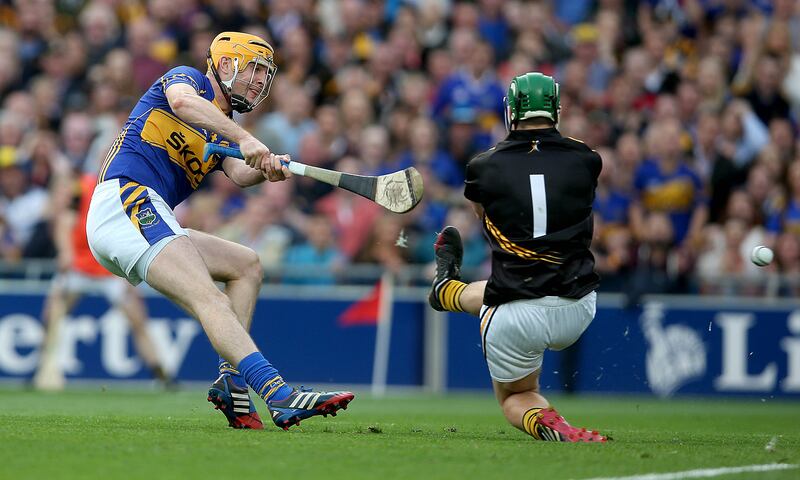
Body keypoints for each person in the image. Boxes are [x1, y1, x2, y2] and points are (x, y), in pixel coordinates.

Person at [86, 32, 353, 430]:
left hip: (148, 212)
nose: (260, 82)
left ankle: (232, 382)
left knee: (246, 265)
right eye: (254, 70)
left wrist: (267, 169)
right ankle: (279, 394)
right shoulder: (187, 80)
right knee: (209, 298)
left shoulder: (221, 127)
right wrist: (246, 138)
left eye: (265, 74)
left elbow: (239, 173)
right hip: (125, 200)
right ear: (226, 64)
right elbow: (182, 103)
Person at [428, 72, 606, 442]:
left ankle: (549, 422)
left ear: (511, 111)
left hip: (515, 311)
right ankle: (445, 290)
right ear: (555, 109)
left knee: (515, 396)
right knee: (496, 288)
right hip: (578, 305)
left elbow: (483, 216)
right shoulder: (587, 158)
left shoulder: (483, 166)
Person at [33, 171, 172, 391]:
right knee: (51, 316)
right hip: (78, 267)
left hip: (108, 269)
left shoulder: (104, 185)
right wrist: (66, 252)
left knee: (138, 319)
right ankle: (42, 369)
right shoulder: (83, 187)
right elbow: (65, 221)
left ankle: (160, 372)